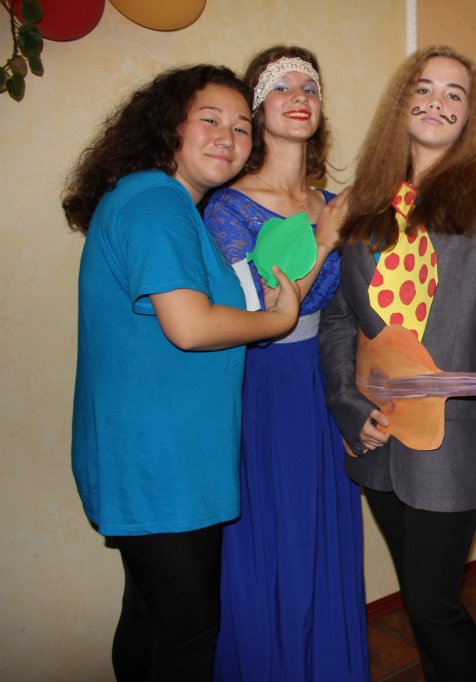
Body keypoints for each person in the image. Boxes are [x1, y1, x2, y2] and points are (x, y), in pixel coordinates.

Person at [63, 65, 301, 681]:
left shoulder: (166, 204)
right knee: (189, 636)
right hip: (158, 463)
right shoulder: (155, 202)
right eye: (210, 119)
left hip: (162, 458)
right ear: (169, 125)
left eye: (242, 127)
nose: (228, 137)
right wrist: (277, 321)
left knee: (150, 621)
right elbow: (190, 326)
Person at [319, 45, 476, 682]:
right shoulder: (363, 205)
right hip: (377, 434)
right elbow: (340, 319)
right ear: (401, 102)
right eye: (423, 88)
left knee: (432, 604)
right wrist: (347, 405)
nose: (436, 102)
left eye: (454, 93)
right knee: (421, 607)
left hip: (450, 439)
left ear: (472, 116)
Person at [202, 46, 369, 681]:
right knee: (283, 540)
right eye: (281, 86)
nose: (300, 96)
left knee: (326, 538)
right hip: (267, 387)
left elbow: (354, 308)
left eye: (310, 87)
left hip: (329, 383)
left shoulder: (333, 198)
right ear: (256, 109)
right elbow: (261, 307)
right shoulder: (228, 206)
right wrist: (325, 238)